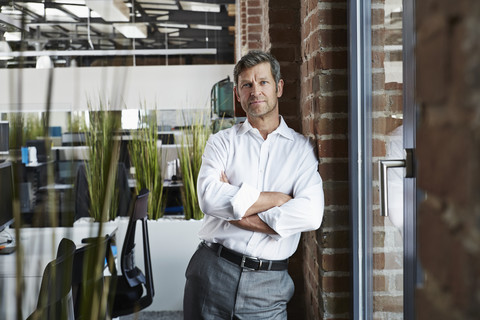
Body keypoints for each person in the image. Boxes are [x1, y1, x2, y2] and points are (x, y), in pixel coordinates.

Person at [183, 50, 324, 319]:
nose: (255, 91)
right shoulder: (221, 142)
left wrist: (237, 215)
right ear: (238, 94)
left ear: (279, 87)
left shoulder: (302, 150)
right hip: (212, 271)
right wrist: (277, 199)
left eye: (263, 82)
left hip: (268, 285)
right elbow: (209, 199)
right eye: (246, 84)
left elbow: (310, 214)